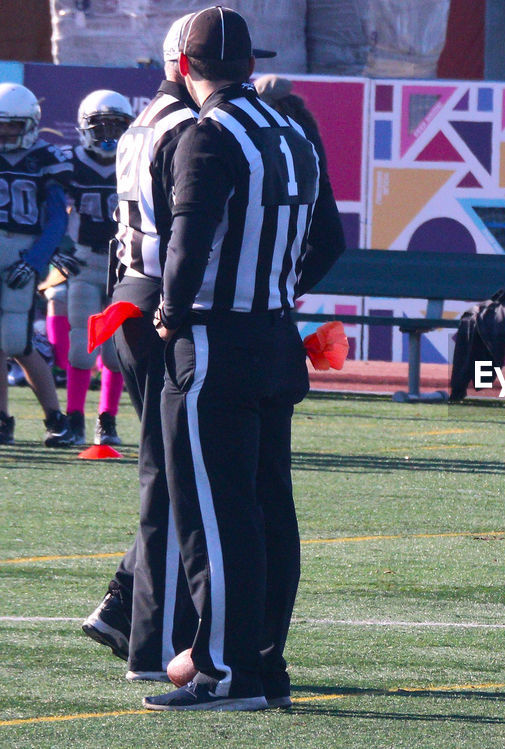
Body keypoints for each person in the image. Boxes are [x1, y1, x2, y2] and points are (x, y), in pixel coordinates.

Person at [143, 5, 342, 712]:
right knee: (267, 509)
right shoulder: (292, 129)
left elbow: (188, 239)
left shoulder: (207, 134)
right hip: (275, 337)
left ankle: (225, 673)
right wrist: (276, 289)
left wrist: (170, 314)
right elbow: (329, 242)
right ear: (251, 65)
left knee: (216, 516)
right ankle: (263, 663)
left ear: (186, 67)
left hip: (215, 341)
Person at [80, 14, 202, 683]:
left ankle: (133, 610)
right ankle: (144, 630)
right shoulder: (185, 128)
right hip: (158, 304)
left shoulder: (142, 123)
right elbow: (185, 231)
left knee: (172, 470)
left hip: (130, 295)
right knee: (173, 477)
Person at [50, 90, 134, 445]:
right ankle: (74, 419)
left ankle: (107, 420)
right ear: (84, 128)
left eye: (117, 126)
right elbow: (48, 210)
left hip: (124, 263)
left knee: (116, 353)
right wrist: (59, 248)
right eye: (101, 127)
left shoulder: (136, 161)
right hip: (84, 259)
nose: (109, 135)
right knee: (80, 347)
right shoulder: (68, 163)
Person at [0, 82, 76, 447]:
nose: (5, 132)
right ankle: (3, 420)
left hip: (22, 253)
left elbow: (57, 219)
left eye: (12, 125)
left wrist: (34, 262)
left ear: (29, 123)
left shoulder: (45, 157)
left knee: (16, 340)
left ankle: (55, 417)